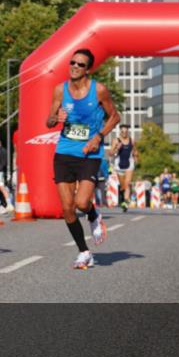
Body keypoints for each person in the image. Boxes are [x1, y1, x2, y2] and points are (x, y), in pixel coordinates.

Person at [46, 48, 120, 270]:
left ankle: (93, 213)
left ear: (88, 69)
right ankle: (84, 251)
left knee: (81, 203)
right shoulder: (60, 91)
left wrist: (99, 136)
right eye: (72, 63)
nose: (75, 67)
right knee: (67, 208)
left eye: (80, 64)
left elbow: (115, 117)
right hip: (64, 152)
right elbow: (48, 122)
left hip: (90, 153)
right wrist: (55, 117)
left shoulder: (99, 90)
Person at [108, 124, 138, 212]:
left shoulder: (132, 140)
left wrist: (136, 157)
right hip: (119, 165)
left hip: (129, 164)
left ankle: (125, 202)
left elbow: (135, 150)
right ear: (120, 132)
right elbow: (110, 153)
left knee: (127, 183)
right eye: (122, 131)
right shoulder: (116, 140)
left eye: (126, 131)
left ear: (128, 132)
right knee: (123, 186)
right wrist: (117, 148)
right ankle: (123, 197)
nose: (124, 133)